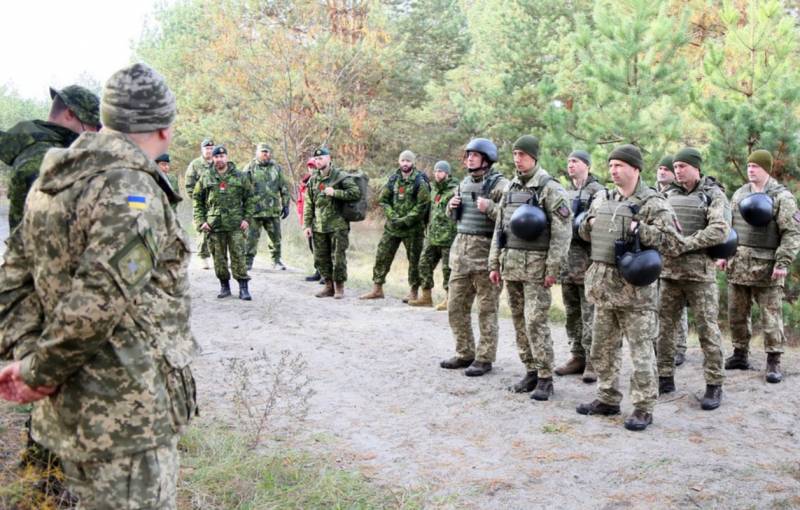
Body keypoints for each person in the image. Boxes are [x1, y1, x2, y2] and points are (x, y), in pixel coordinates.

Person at [0, 63, 199, 509]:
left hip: (69, 410)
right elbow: (97, 301)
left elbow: (12, 279)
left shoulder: (55, 178)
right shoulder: (132, 191)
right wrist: (36, 374)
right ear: (165, 128)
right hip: (125, 419)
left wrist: (26, 357)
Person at [576, 144, 682, 431]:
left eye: (619, 165)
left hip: (635, 293)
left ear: (635, 169)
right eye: (610, 165)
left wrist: (640, 230)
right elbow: (584, 231)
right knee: (602, 348)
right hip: (603, 288)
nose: (613, 170)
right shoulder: (603, 197)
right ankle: (607, 397)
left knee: (641, 351)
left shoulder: (654, 202)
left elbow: (673, 243)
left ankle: (643, 407)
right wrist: (590, 222)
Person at [488, 136, 571, 399]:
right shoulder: (510, 187)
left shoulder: (549, 188)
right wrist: (494, 262)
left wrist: (552, 268)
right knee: (519, 321)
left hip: (537, 269)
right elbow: (499, 228)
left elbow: (562, 233)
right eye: (514, 153)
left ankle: (546, 377)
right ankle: (531, 371)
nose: (517, 159)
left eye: (522, 154)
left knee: (536, 321)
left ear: (534, 157)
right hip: (511, 265)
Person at [720, 149, 800, 383]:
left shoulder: (781, 197)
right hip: (738, 264)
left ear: (766, 169)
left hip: (767, 267)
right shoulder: (740, 194)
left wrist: (783, 262)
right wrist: (724, 254)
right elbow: (729, 228)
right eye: (748, 166)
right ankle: (740, 353)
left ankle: (773, 359)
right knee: (736, 313)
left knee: (770, 315)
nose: (751, 170)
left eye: (755, 166)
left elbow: (792, 233)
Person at [657, 148, 727, 410]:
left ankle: (714, 384)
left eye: (683, 166)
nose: (678, 170)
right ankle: (664, 378)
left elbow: (720, 229)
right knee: (664, 328)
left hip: (700, 275)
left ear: (697, 168)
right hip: (669, 273)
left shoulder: (713, 195)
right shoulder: (667, 194)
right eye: (675, 166)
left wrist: (685, 243)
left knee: (708, 330)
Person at [439, 138, 509, 377]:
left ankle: (484, 358)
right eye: (468, 155)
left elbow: (512, 218)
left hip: (486, 255)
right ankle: (464, 353)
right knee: (455, 307)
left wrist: (489, 207)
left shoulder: (501, 184)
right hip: (460, 255)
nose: (469, 158)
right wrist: (451, 206)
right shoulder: (464, 183)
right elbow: (454, 217)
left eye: (475, 155)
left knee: (486, 310)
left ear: (487, 159)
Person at [1, 85, 100, 230]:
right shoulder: (46, 158)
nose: (96, 132)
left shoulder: (41, 149)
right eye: (93, 124)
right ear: (69, 115)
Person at [555, 150, 605, 383]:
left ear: (587, 164)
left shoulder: (599, 192)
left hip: (589, 263)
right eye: (568, 161)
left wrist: (571, 225)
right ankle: (577, 356)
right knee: (572, 313)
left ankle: (594, 362)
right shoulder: (566, 191)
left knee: (590, 314)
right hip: (567, 264)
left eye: (575, 161)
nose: (570, 165)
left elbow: (594, 225)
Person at [360, 150, 430, 301]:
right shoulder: (393, 179)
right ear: (399, 162)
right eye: (403, 161)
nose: (405, 164)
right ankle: (377, 289)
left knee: (414, 261)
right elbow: (383, 199)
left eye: (408, 161)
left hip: (413, 229)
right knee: (382, 255)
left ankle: (413, 292)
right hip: (392, 227)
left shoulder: (419, 181)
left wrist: (405, 219)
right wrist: (393, 216)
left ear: (413, 163)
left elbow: (422, 205)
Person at [193, 145, 254, 300]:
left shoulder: (240, 176)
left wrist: (247, 219)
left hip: (236, 224)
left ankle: (243, 288)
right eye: (216, 157)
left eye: (222, 156)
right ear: (212, 159)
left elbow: (250, 199)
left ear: (226, 157)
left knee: (238, 256)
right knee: (219, 258)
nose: (219, 159)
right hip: (214, 225)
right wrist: (201, 221)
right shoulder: (206, 177)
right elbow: (197, 200)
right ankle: (224, 286)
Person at [302, 146, 361, 299]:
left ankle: (339, 287)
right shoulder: (314, 179)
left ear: (329, 159)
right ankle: (329, 286)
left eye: (321, 158)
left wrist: (335, 192)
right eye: (316, 159)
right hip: (319, 226)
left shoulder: (340, 176)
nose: (318, 161)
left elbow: (355, 193)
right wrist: (307, 225)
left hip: (337, 226)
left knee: (338, 258)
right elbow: (309, 204)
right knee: (321, 258)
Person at [408, 160, 458, 309]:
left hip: (448, 237)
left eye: (441, 171)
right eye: (436, 171)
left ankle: (449, 299)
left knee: (448, 270)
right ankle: (426, 297)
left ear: (447, 173)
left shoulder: (455, 190)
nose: (437, 174)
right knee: (423, 264)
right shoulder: (433, 189)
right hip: (432, 236)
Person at [656, 154, 689, 366]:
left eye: (666, 169)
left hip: (675, 257)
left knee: (679, 306)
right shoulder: (655, 194)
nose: (662, 172)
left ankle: (680, 346)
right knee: (659, 304)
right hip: (656, 257)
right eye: (660, 168)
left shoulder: (678, 195)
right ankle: (661, 344)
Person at [243, 143, 290, 271]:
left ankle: (276, 261)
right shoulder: (249, 168)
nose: (265, 154)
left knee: (276, 237)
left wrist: (286, 205)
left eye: (267, 152)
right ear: (257, 153)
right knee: (250, 238)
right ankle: (247, 261)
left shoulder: (277, 168)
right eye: (263, 152)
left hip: (272, 210)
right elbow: (242, 189)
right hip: (254, 211)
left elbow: (284, 187)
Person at [185, 138, 215, 269]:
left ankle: (218, 257)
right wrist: (197, 199)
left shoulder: (218, 162)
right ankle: (203, 257)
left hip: (217, 204)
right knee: (202, 229)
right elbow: (189, 185)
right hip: (202, 204)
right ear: (202, 149)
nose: (209, 151)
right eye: (207, 148)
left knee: (219, 230)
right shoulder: (195, 164)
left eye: (211, 148)